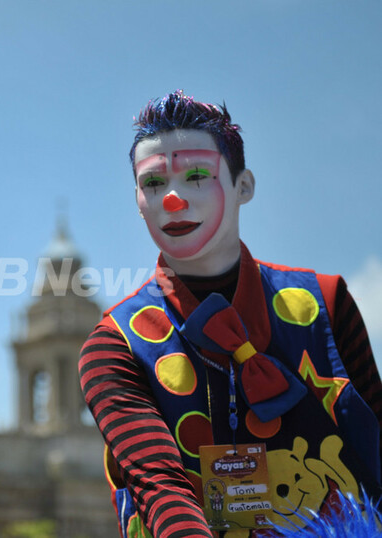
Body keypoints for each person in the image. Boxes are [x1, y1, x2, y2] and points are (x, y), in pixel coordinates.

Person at [79, 90, 382, 538]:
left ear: (244, 187)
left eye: (197, 175)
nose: (174, 200)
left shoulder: (327, 303)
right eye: (154, 183)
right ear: (137, 201)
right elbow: (159, 484)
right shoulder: (112, 346)